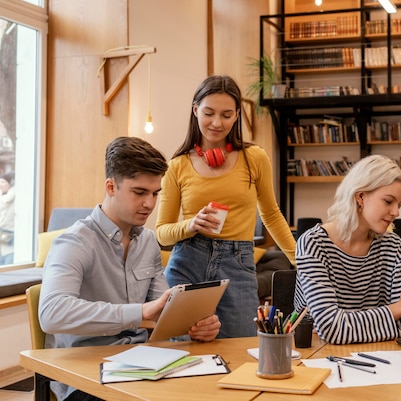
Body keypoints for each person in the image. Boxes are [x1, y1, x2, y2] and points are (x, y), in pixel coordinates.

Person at [39, 137, 221, 401]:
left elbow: (164, 310)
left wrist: (194, 325)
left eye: (155, 193)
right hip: (86, 375)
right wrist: (140, 312)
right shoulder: (75, 241)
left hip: (140, 366)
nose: (149, 203)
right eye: (139, 192)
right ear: (111, 186)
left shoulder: (147, 241)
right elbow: (51, 313)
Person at [156, 75, 296, 338]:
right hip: (187, 261)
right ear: (195, 110)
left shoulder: (254, 157)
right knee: (180, 351)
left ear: (236, 116)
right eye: (209, 113)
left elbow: (272, 215)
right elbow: (161, 232)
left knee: (241, 349)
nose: (217, 123)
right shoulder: (177, 166)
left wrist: (302, 261)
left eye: (226, 114)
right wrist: (191, 224)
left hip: (238, 264)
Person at [293, 154, 401, 344]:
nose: (397, 212)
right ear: (361, 197)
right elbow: (333, 329)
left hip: (383, 360)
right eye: (388, 201)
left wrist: (347, 327)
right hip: (320, 358)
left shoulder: (394, 246)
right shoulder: (313, 244)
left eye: (400, 204)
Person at [0, 172, 15, 265]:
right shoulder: (3, 197)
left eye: (3, 182)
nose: (0, 185)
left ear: (10, 183)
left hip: (10, 238)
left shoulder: (12, 197)